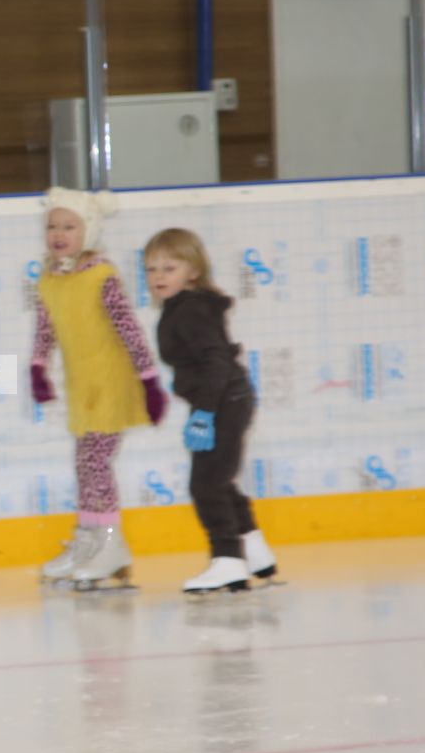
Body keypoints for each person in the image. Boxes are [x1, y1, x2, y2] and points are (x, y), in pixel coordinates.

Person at [28, 187, 167, 589]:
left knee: (95, 463)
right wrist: (38, 366)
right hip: (82, 387)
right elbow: (46, 327)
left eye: (70, 226)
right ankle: (91, 540)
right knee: (84, 465)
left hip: (111, 383)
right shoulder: (50, 280)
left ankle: (110, 543)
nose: (59, 233)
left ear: (87, 231)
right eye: (52, 226)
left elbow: (129, 328)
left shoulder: (102, 276)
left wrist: (149, 380)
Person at [144, 227, 279, 594]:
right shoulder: (184, 307)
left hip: (223, 403)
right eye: (151, 269)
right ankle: (253, 550)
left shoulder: (190, 310)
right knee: (219, 478)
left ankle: (228, 560)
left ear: (193, 270)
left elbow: (216, 363)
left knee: (206, 484)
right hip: (224, 401)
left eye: (168, 268)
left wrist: (205, 414)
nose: (158, 276)